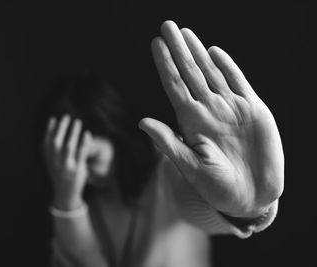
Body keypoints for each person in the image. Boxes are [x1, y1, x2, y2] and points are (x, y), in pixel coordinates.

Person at [38, 20, 284, 267]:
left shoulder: (166, 169)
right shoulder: (74, 203)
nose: (78, 175)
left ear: (115, 134)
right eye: (64, 164)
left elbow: (197, 200)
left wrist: (248, 209)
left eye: (90, 158)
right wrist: (67, 203)